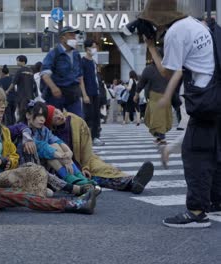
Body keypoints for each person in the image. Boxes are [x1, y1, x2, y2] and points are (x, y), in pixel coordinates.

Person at [142, 0, 221, 228]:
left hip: (205, 98)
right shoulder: (195, 24)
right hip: (215, 93)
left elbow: (168, 72)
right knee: (214, 150)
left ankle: (196, 212)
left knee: (195, 153)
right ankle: (216, 200)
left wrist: (151, 47)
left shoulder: (175, 32)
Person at [0, 84, 97, 213]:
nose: (2, 106)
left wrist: (9, 161)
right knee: (36, 175)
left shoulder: (2, 130)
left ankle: (73, 190)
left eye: (4, 102)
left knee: (37, 174)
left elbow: (13, 156)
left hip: (4, 174)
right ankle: (72, 199)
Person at [45, 104, 155, 193]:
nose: (59, 116)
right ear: (51, 124)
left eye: (57, 112)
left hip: (84, 160)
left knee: (104, 170)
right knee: (96, 179)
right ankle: (130, 184)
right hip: (65, 166)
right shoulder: (48, 133)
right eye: (55, 119)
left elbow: (86, 147)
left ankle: (132, 182)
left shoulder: (75, 121)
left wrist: (86, 167)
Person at [41, 26, 87, 118]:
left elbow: (80, 75)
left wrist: (84, 94)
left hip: (73, 93)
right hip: (57, 93)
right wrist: (53, 88)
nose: (74, 38)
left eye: (74, 35)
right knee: (55, 120)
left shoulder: (76, 54)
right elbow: (45, 74)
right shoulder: (54, 53)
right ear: (62, 38)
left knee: (78, 119)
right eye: (71, 35)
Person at [134, 51, 172, 145]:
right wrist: (136, 94)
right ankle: (159, 137)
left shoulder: (151, 69)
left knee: (158, 119)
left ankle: (162, 138)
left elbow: (141, 83)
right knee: (154, 118)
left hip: (158, 97)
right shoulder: (166, 68)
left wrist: (136, 94)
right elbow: (142, 82)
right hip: (160, 97)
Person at [81, 39, 104, 146]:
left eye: (96, 47)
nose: (95, 49)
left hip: (96, 92)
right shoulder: (83, 62)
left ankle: (95, 137)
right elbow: (80, 79)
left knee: (96, 116)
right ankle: (87, 138)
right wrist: (84, 94)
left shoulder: (93, 62)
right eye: (93, 47)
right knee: (88, 116)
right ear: (87, 48)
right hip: (88, 93)